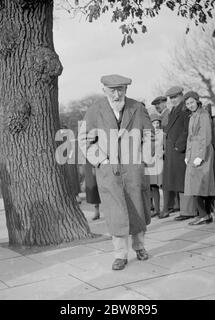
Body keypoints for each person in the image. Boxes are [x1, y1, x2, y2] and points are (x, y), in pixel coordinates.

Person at [78, 74, 153, 271]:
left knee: (137, 209)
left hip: (133, 170)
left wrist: (143, 159)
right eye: (112, 90)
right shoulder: (95, 110)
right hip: (109, 172)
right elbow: (84, 140)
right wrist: (101, 160)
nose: (117, 94)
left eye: (121, 89)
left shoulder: (137, 108)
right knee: (115, 214)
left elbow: (150, 136)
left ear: (126, 90)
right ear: (105, 90)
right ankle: (120, 255)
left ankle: (140, 247)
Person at [160, 86, 196, 220]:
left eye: (175, 97)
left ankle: (188, 211)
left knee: (183, 181)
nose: (173, 100)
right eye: (171, 98)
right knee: (178, 181)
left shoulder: (185, 109)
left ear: (181, 95)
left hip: (180, 151)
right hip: (173, 151)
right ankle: (184, 210)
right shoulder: (174, 109)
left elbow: (187, 130)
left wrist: (178, 146)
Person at [184, 91, 215, 225]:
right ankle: (203, 214)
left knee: (201, 184)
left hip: (202, 153)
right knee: (194, 185)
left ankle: (205, 214)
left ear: (197, 101)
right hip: (193, 153)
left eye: (191, 102)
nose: (190, 105)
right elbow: (189, 137)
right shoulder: (192, 116)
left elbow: (206, 136)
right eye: (187, 103)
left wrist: (200, 156)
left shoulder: (203, 115)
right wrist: (187, 155)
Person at [148, 113, 164, 218]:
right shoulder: (148, 135)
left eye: (157, 123)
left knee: (162, 186)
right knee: (153, 187)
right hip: (151, 164)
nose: (156, 125)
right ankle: (156, 209)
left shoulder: (163, 134)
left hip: (160, 163)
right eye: (153, 123)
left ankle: (164, 208)